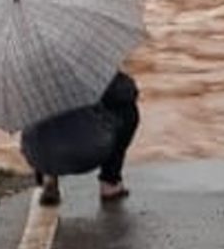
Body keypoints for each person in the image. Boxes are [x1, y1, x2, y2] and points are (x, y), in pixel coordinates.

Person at [21, 70, 141, 206]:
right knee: (128, 112)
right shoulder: (85, 64)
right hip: (86, 151)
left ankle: (48, 178)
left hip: (38, 155)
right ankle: (110, 183)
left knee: (37, 121)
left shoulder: (27, 74)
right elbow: (127, 92)